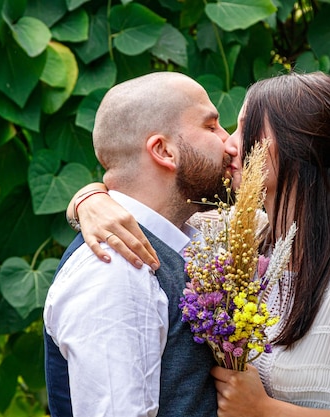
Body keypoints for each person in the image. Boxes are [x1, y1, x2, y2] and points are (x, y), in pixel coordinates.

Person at [67, 71, 330, 417]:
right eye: (221, 127)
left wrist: (268, 412)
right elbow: (152, 211)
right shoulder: (242, 238)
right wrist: (90, 200)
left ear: (292, 147)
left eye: (246, 129)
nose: (229, 143)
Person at [43, 71, 232, 417]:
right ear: (163, 150)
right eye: (211, 127)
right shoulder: (115, 270)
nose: (229, 143)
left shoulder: (192, 240)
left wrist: (86, 198)